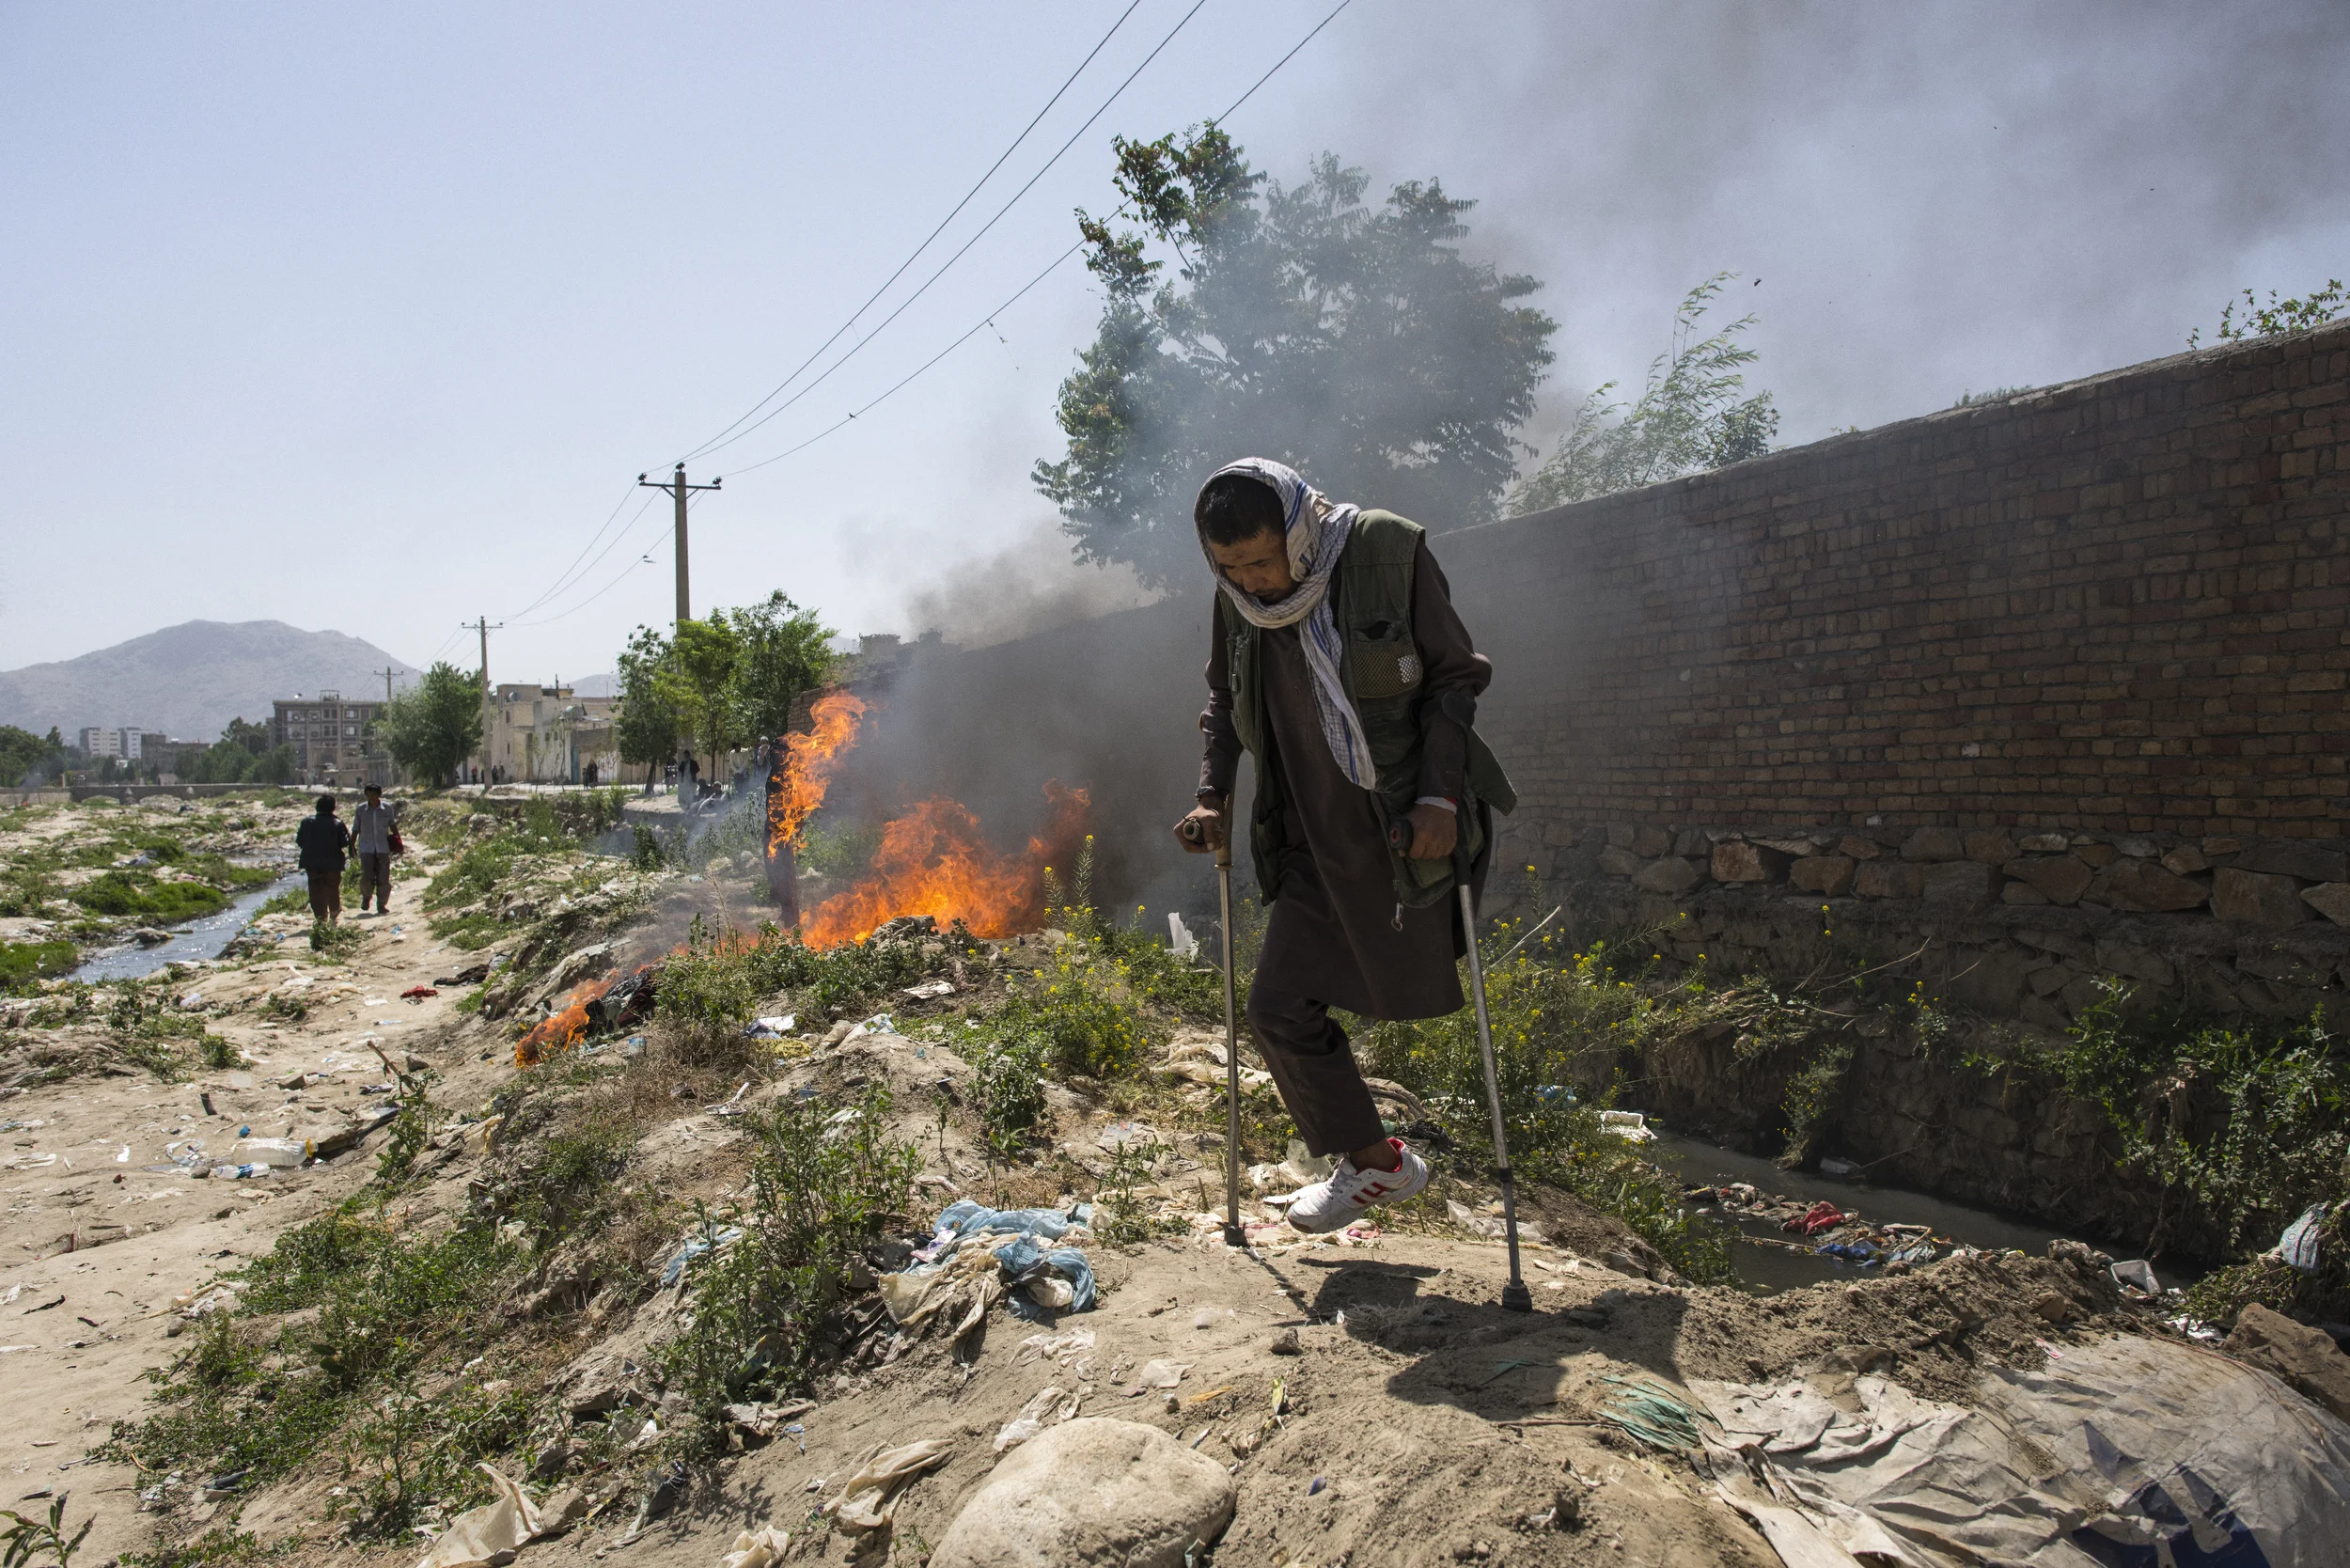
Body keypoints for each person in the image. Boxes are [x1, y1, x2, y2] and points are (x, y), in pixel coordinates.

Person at [1175, 457, 1515, 1234]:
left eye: (1264, 559)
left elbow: (1454, 678)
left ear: (1297, 529)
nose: (1254, 580)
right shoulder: (1236, 600)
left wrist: (1439, 795)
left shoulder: (1385, 550)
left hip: (1396, 824)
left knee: (1392, 987)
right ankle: (1377, 1166)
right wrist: (1210, 793)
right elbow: (1223, 700)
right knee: (1275, 1008)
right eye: (1230, 566)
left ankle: (1384, 1165)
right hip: (1304, 835)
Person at [295, 793, 352, 925]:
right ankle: (333, 915)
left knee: (315, 891)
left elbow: (300, 841)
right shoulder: (337, 823)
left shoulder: (306, 822)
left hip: (312, 863)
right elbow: (344, 843)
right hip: (332, 863)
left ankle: (321, 919)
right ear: (333, 808)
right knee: (332, 888)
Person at [351, 783, 400, 917]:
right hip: (366, 848)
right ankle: (366, 897)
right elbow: (355, 828)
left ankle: (381, 905)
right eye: (369, 795)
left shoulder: (387, 808)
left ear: (379, 795)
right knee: (367, 876)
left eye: (374, 795)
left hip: (383, 847)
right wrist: (351, 845)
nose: (371, 798)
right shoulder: (361, 810)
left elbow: (393, 825)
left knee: (383, 877)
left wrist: (398, 841)